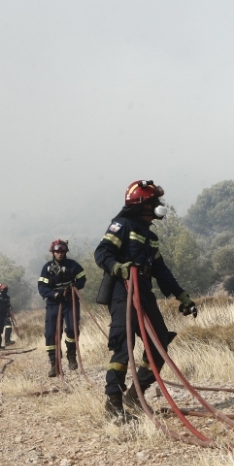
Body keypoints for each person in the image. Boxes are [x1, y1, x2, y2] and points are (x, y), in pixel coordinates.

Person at [95, 180, 197, 421]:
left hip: (144, 293)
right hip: (124, 293)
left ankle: (135, 394)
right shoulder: (122, 225)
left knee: (159, 342)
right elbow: (102, 253)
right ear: (144, 205)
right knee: (123, 347)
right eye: (155, 202)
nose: (160, 206)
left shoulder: (150, 236)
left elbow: (162, 271)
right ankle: (114, 405)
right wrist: (118, 268)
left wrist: (181, 296)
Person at [38, 239, 86, 376]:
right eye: (57, 251)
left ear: (65, 252)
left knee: (72, 329)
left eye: (62, 251)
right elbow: (42, 287)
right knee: (51, 333)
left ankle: (71, 355)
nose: (59, 253)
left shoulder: (73, 266)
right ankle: (55, 364)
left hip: (70, 302)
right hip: (54, 303)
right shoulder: (47, 268)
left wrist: (74, 287)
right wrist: (54, 294)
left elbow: (82, 279)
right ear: (52, 252)